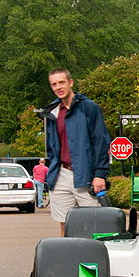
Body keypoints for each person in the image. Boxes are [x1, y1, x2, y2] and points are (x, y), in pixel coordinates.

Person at [41, 68, 111, 237]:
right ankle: (69, 260)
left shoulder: (89, 108)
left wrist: (100, 174)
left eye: (61, 82)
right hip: (60, 175)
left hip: (86, 175)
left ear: (70, 83)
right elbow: (52, 146)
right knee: (65, 224)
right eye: (54, 84)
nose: (58, 87)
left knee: (92, 224)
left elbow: (101, 142)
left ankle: (93, 260)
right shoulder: (53, 112)